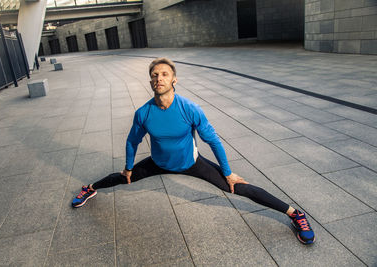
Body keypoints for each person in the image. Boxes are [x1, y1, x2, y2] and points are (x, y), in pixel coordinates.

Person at [72, 57, 315, 245]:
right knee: (123, 178)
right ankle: (89, 189)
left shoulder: (190, 108)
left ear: (174, 80)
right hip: (158, 162)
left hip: (192, 162)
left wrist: (228, 172)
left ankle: (295, 214)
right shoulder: (143, 113)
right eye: (155, 75)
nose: (159, 78)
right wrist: (127, 166)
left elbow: (214, 141)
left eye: (165, 74)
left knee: (236, 186)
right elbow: (131, 141)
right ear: (150, 82)